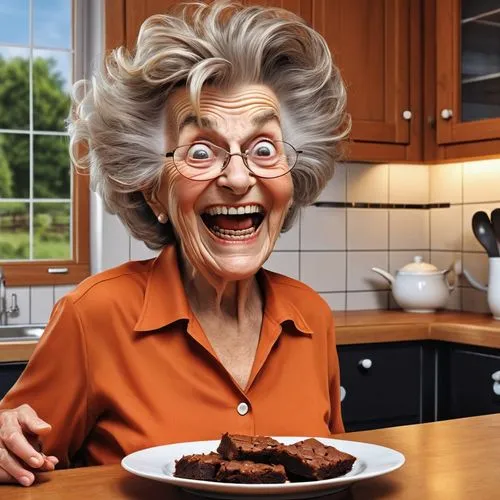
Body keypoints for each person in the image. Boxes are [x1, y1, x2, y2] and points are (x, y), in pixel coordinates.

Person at [0, 0, 349, 487]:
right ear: (153, 190)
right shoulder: (93, 316)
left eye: (264, 149)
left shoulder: (312, 317)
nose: (236, 176)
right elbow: (17, 460)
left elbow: (330, 471)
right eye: (200, 151)